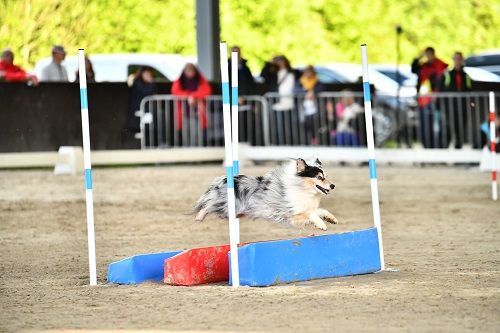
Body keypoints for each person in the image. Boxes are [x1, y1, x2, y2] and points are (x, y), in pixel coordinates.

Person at [411, 47, 448, 148]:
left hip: (436, 101)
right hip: (423, 101)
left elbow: (442, 80)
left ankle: (439, 146)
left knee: (437, 125)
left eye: (429, 54)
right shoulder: (423, 66)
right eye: (426, 55)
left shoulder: (440, 65)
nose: (428, 57)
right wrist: (419, 57)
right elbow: (413, 69)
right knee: (425, 125)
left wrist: (437, 94)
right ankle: (427, 146)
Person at [171, 63, 212, 145]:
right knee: (186, 135)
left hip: (198, 113)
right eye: (187, 71)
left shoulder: (200, 79)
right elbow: (175, 91)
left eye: (191, 71)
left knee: (198, 135)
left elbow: (207, 91)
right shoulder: (180, 81)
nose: (189, 73)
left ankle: (199, 150)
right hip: (184, 113)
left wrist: (193, 96)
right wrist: (188, 96)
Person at [440, 52, 473, 149]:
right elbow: (441, 91)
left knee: (460, 130)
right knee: (448, 130)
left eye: (459, 59)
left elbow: (469, 91)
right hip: (450, 107)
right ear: (453, 60)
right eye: (456, 59)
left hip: (462, 107)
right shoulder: (447, 75)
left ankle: (458, 150)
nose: (457, 61)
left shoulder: (466, 76)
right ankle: (443, 152)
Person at [295, 65, 323, 144]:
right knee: (304, 123)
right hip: (303, 107)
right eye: (306, 72)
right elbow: (295, 90)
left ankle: (315, 139)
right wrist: (306, 92)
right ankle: (306, 140)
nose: (308, 74)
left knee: (315, 123)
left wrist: (313, 92)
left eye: (309, 72)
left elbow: (321, 88)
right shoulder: (300, 81)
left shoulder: (317, 81)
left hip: (315, 106)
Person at [128, 67, 156, 133]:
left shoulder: (144, 83)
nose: (149, 76)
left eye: (150, 74)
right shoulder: (137, 82)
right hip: (138, 113)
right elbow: (146, 91)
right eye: (147, 73)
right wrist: (152, 83)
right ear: (142, 74)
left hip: (145, 111)